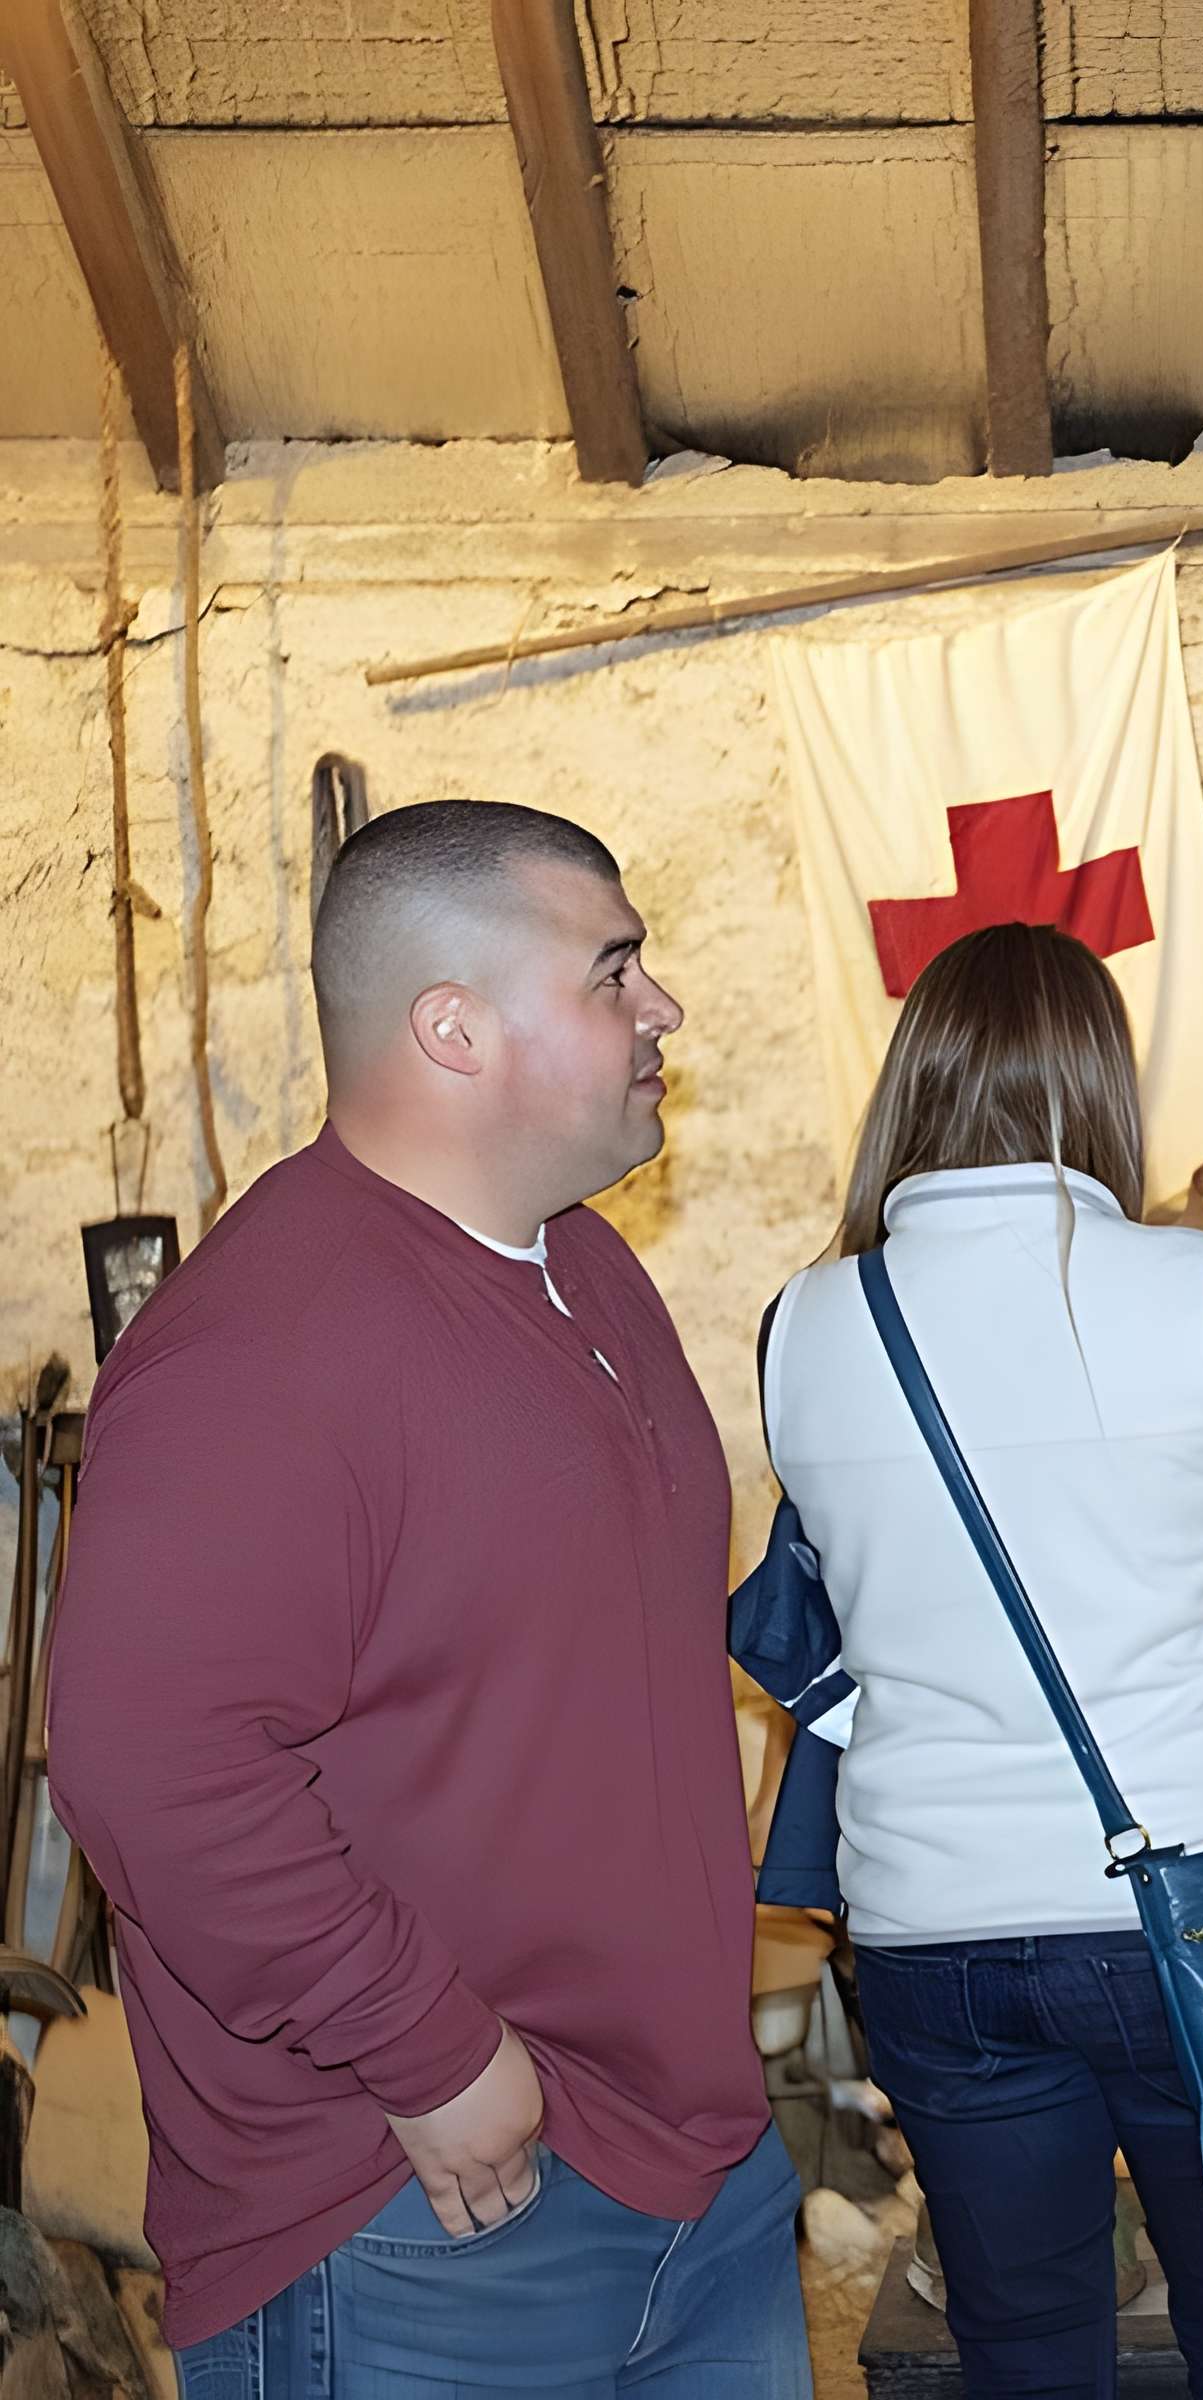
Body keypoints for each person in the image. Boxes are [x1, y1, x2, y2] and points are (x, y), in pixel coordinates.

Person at [49, 802, 809, 2395]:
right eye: (614, 971)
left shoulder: (587, 1269)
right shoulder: (260, 1351)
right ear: (454, 1028)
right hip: (421, 2212)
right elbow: (153, 1762)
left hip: (689, 2172)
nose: (662, 1007)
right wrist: (435, 2054)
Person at [736, 922, 1203, 2398]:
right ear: (1099, 1086)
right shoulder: (1193, 1288)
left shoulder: (806, 1318)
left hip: (932, 1926)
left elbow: (816, 1597)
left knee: (1022, 2350)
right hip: (1197, 1899)